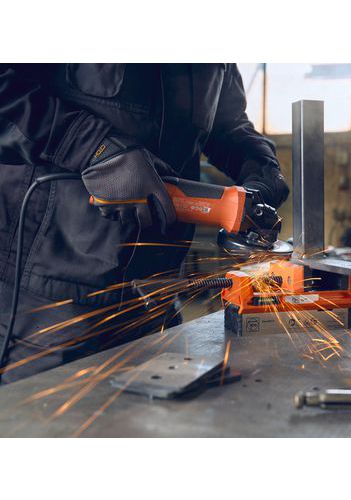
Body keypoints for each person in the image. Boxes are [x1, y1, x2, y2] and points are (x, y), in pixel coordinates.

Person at [0, 64, 289, 383]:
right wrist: (91, 146)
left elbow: (227, 124)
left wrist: (262, 166)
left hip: (156, 305)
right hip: (48, 312)